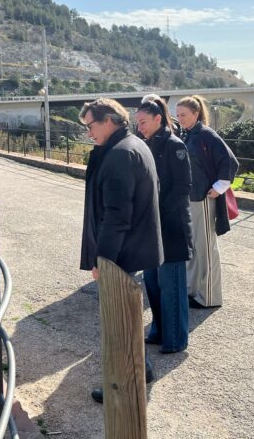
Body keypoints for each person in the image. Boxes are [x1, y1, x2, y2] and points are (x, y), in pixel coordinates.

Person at [79, 98, 163, 404]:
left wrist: (104, 260)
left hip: (122, 252)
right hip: (134, 246)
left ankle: (124, 382)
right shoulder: (132, 145)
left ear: (110, 119)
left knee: (118, 321)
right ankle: (143, 369)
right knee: (125, 318)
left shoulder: (119, 155)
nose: (89, 133)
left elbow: (116, 216)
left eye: (91, 125)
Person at [135, 94, 193, 354]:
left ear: (158, 118)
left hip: (170, 227)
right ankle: (158, 330)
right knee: (153, 284)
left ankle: (175, 338)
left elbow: (183, 188)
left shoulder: (174, 145)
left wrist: (158, 213)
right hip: (151, 228)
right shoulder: (145, 145)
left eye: (144, 121)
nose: (140, 127)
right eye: (138, 123)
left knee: (172, 286)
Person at [175, 95, 238, 309]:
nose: (180, 118)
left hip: (202, 199)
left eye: (183, 114)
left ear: (195, 113)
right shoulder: (189, 135)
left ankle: (209, 297)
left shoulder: (206, 135)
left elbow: (230, 161)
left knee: (205, 248)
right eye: (178, 115)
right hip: (192, 199)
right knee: (193, 247)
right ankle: (194, 291)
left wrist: (219, 187)